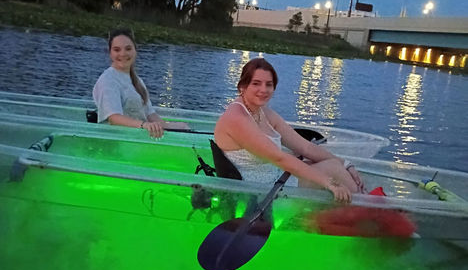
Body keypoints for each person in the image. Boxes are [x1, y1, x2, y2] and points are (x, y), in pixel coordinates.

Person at [214, 58, 365, 202]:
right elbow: (279, 158)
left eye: (269, 84)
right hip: (261, 194)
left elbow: (305, 147)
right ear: (243, 86)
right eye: (256, 83)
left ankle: (362, 205)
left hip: (277, 178)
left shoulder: (263, 112)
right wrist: (329, 182)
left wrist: (346, 164)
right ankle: (368, 209)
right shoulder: (236, 118)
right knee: (332, 169)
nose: (263, 90)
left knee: (331, 163)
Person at [93, 28, 189, 137]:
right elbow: (114, 118)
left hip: (137, 138)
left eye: (128, 49)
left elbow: (150, 114)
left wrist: (171, 126)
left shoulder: (138, 81)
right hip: (118, 141)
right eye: (117, 50)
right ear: (110, 53)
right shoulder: (107, 80)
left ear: (135, 51)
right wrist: (145, 125)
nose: (123, 54)